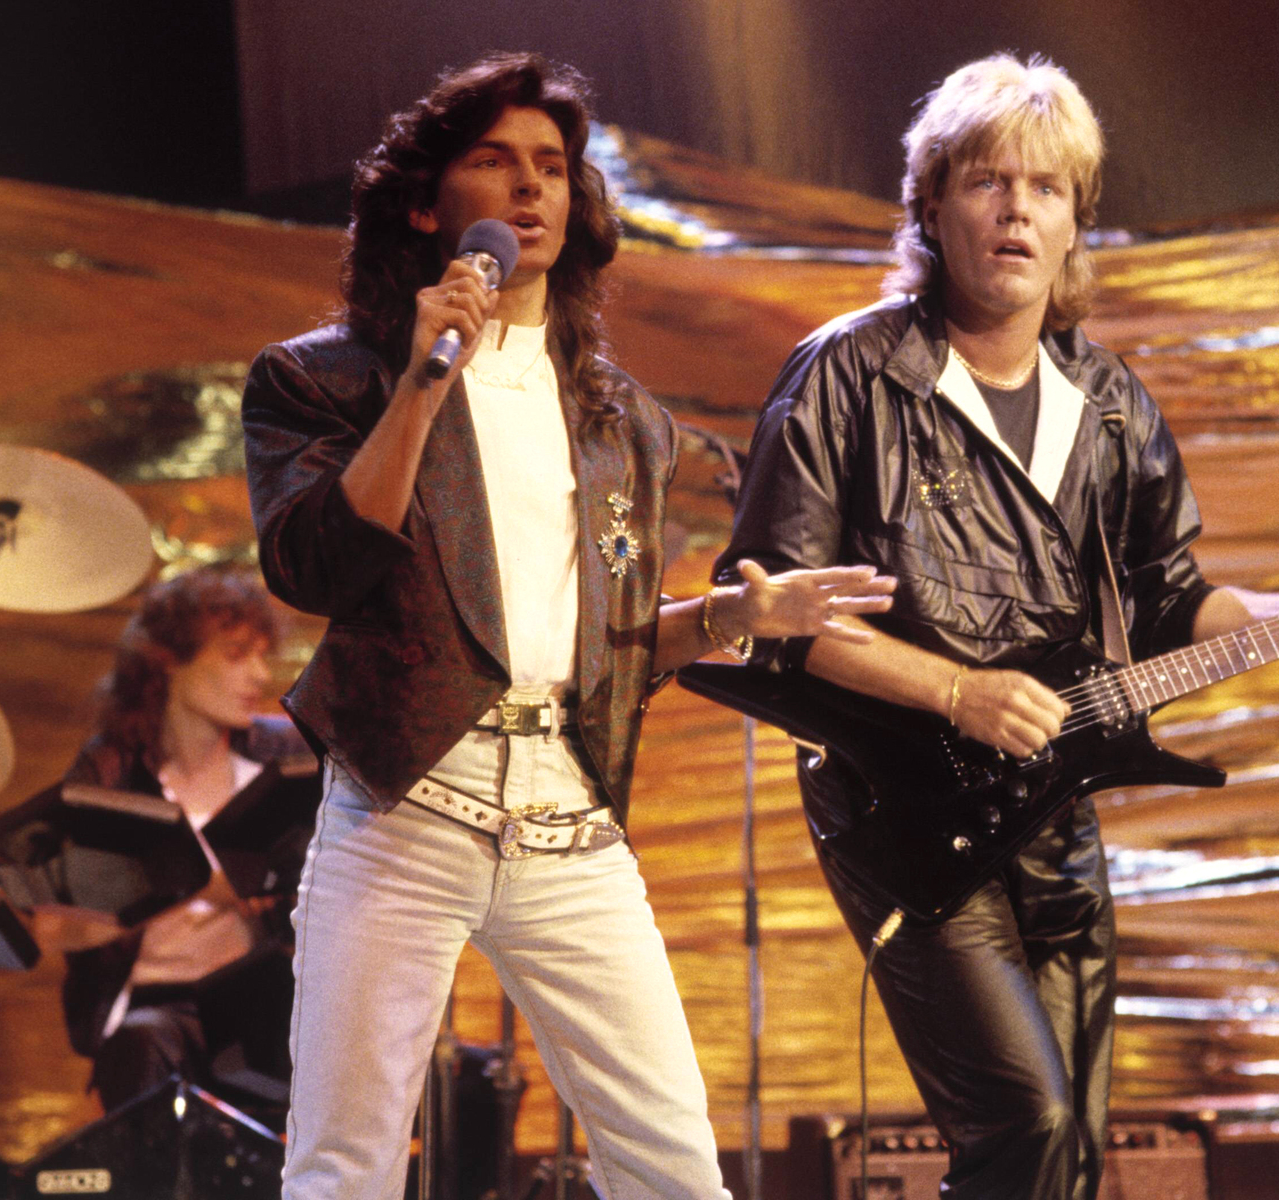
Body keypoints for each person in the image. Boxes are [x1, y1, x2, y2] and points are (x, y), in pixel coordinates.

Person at [712, 54, 1279, 1199]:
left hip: (1054, 810)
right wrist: (957, 692)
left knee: (1073, 1157)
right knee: (1030, 1124)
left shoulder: (1108, 405)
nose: (1016, 210)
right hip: (902, 808)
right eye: (987, 182)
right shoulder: (847, 373)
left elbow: (1171, 599)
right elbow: (773, 614)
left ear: (1073, 223)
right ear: (931, 206)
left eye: (1044, 188)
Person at [240, 52, 893, 1200]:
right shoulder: (324, 379)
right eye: (496, 161)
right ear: (425, 203)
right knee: (344, 1170)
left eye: (551, 165)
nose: (530, 186)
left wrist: (733, 615)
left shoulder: (621, 419)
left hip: (568, 818)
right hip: (404, 812)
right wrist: (423, 378)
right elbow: (317, 568)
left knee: (675, 1170)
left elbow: (613, 651)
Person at [29, 565, 307, 1114]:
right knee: (144, 1044)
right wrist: (189, 885)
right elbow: (54, 927)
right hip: (152, 1008)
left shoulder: (284, 755)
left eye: (261, 656)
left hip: (258, 1001)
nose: (258, 674)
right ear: (170, 660)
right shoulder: (110, 770)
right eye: (235, 655)